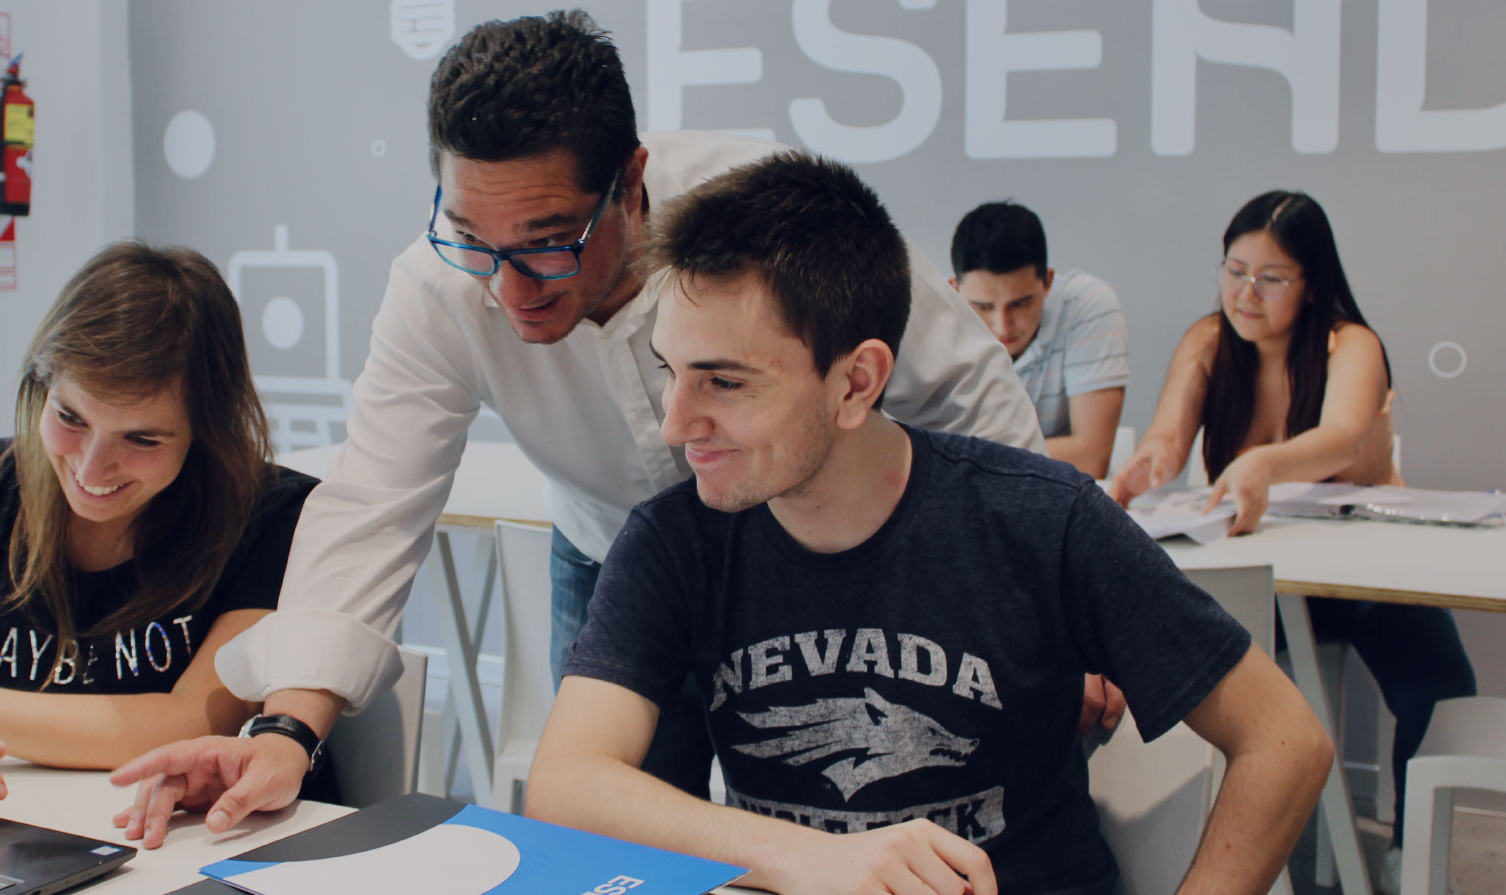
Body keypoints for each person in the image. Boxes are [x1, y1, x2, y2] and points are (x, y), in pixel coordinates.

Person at [107, 8, 1046, 841]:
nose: (508, 288)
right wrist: (284, 731)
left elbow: (965, 390)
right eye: (472, 239)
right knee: (618, 842)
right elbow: (373, 507)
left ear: (632, 182)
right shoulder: (438, 289)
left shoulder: (760, 214)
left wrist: (1041, 610)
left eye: (550, 242)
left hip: (801, 553)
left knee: (856, 804)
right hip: (610, 558)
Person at [524, 150, 1332, 895]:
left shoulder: (1039, 519)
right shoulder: (675, 542)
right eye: (670, 370)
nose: (675, 423)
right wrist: (801, 857)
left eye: (724, 382)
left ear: (856, 382)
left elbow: (1285, 741)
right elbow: (566, 782)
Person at [1110, 190, 1483, 895]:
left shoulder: (1351, 344)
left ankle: (1414, 854)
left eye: (1271, 278)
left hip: (1360, 577)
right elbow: (1168, 439)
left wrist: (1262, 463)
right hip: (1264, 580)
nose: (1246, 293)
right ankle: (1177, 850)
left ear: (1311, 282)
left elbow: (1342, 436)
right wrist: (1146, 466)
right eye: (1234, 271)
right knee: (1168, 671)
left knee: (1439, 682)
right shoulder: (1208, 341)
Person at [0, 241, 321, 818]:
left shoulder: (275, 516)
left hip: (190, 836)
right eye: (69, 417)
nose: (92, 467)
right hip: (2, 828)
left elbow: (185, 725)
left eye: (142, 439)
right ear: (41, 387)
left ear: (207, 430)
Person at [951, 201, 1129, 478]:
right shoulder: (930, 318)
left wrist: (963, 458)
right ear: (953, 290)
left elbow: (1091, 458)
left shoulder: (1087, 305)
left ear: (1048, 281)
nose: (1003, 325)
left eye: (1021, 303)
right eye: (983, 306)